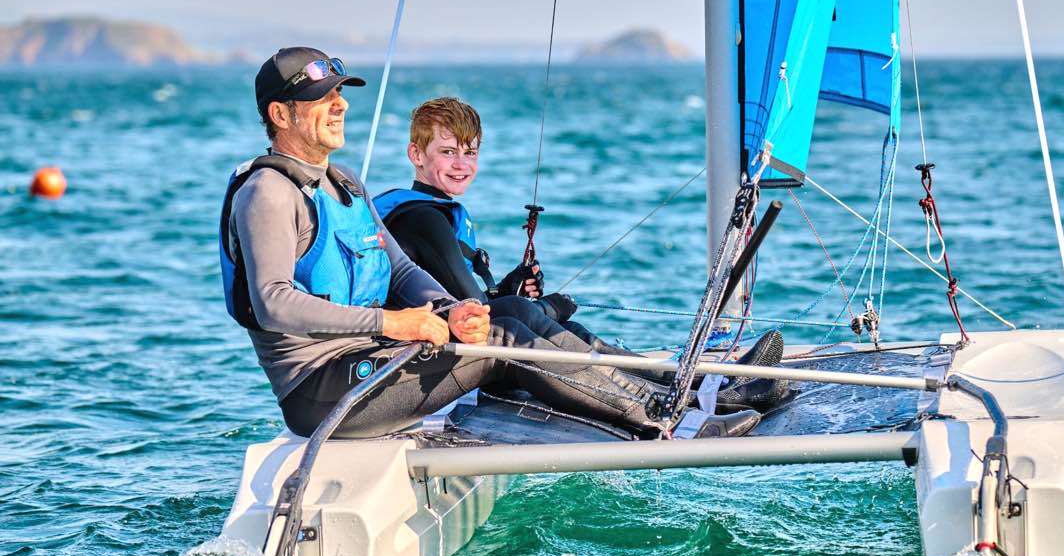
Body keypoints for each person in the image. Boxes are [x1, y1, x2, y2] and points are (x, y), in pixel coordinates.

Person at [218, 47, 762, 441]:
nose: (338, 106)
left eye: (338, 94)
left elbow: (402, 270)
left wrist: (454, 311)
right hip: (323, 390)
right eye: (320, 98)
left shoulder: (345, 185)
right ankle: (667, 424)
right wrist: (397, 324)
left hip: (372, 360)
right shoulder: (268, 192)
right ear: (280, 115)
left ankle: (678, 400)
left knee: (508, 322)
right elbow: (272, 301)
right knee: (507, 344)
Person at [374, 96, 790, 413]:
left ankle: (700, 384)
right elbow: (479, 318)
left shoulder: (429, 211)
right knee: (535, 318)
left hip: (462, 342)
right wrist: (548, 307)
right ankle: (693, 398)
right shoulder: (422, 218)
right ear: (417, 155)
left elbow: (460, 296)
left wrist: (508, 287)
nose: (461, 164)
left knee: (553, 324)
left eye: (470, 152)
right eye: (448, 152)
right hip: (437, 365)